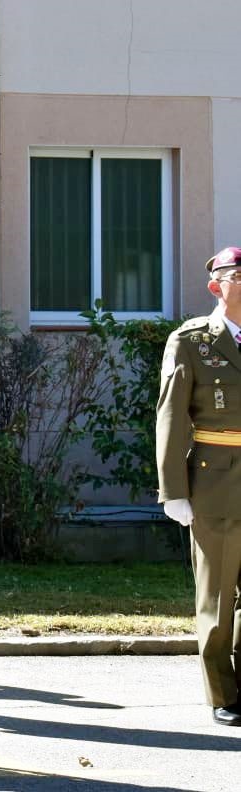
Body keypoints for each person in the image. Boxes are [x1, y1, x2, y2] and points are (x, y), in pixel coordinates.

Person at [157, 245, 241, 727]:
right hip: (215, 480)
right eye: (238, 277)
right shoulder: (191, 341)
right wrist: (174, 490)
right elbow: (170, 417)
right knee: (217, 593)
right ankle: (222, 693)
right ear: (217, 287)